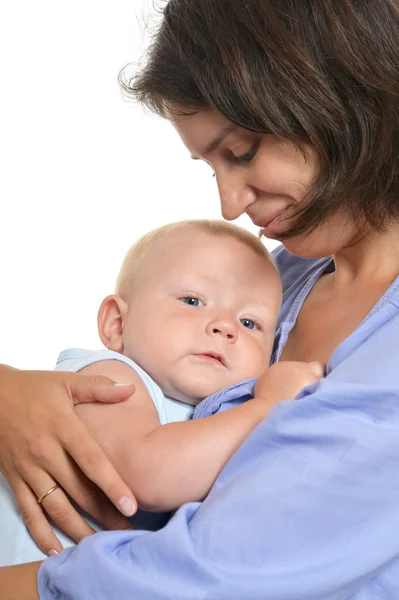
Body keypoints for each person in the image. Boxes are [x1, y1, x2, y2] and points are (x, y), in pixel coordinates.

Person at [1, 0, 399, 597]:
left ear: (340, 96)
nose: (230, 204)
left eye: (241, 153)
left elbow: (203, 577)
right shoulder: (287, 273)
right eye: (210, 167)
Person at [0, 218, 323, 564]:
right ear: (117, 324)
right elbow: (147, 476)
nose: (225, 326)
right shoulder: (108, 377)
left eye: (249, 323)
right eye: (193, 300)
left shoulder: (212, 413)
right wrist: (270, 404)